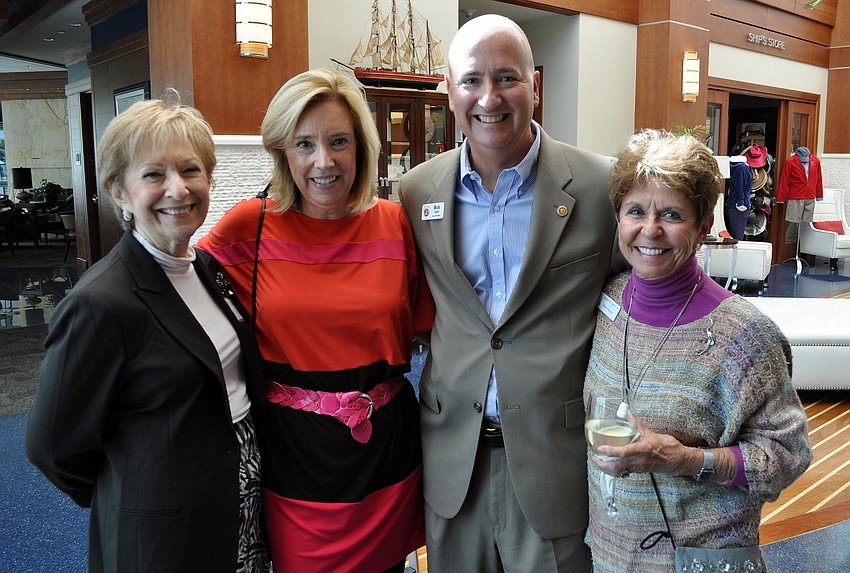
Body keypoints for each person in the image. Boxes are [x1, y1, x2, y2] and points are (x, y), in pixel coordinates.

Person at [398, 14, 624, 572]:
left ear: (535, 86)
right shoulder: (416, 191)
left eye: (507, 77)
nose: (488, 96)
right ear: (449, 92)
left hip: (555, 460)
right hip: (454, 464)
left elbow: (640, 296)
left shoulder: (601, 187)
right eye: (471, 80)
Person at [196, 68, 434, 573]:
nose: (323, 161)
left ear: (361, 149)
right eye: (304, 144)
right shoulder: (249, 227)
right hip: (294, 460)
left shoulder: (395, 223)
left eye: (339, 141)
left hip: (387, 454)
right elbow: (178, 294)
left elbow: (436, 327)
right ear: (284, 152)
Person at [25, 95, 269, 572]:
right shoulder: (100, 304)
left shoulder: (208, 269)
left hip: (240, 508)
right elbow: (52, 447)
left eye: (191, 170)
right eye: (154, 174)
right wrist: (135, 493)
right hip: (166, 536)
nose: (178, 189)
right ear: (119, 191)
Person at [584, 129, 812, 572]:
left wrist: (685, 460)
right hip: (611, 555)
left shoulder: (743, 334)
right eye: (635, 211)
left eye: (671, 214)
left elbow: (788, 455)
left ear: (704, 225)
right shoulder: (607, 302)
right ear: (618, 218)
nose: (650, 230)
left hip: (698, 560)